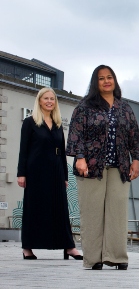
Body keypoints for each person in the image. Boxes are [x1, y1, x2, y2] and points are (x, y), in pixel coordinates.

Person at [66, 65, 139, 270]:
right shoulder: (85, 106)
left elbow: (134, 136)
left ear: (114, 81)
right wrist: (79, 157)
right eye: (101, 78)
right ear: (95, 82)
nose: (106, 81)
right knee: (91, 214)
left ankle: (117, 257)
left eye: (109, 77)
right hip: (90, 167)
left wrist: (136, 160)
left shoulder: (124, 108)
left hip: (119, 167)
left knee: (117, 213)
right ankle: (93, 259)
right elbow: (75, 134)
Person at [17, 87, 83, 261]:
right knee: (34, 208)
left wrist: (65, 176)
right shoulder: (29, 122)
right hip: (35, 171)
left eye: (52, 99)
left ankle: (69, 247)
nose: (49, 101)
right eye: (46, 98)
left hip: (56, 171)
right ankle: (27, 248)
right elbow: (23, 150)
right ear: (39, 101)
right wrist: (21, 173)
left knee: (60, 209)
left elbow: (61, 150)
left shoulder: (58, 124)